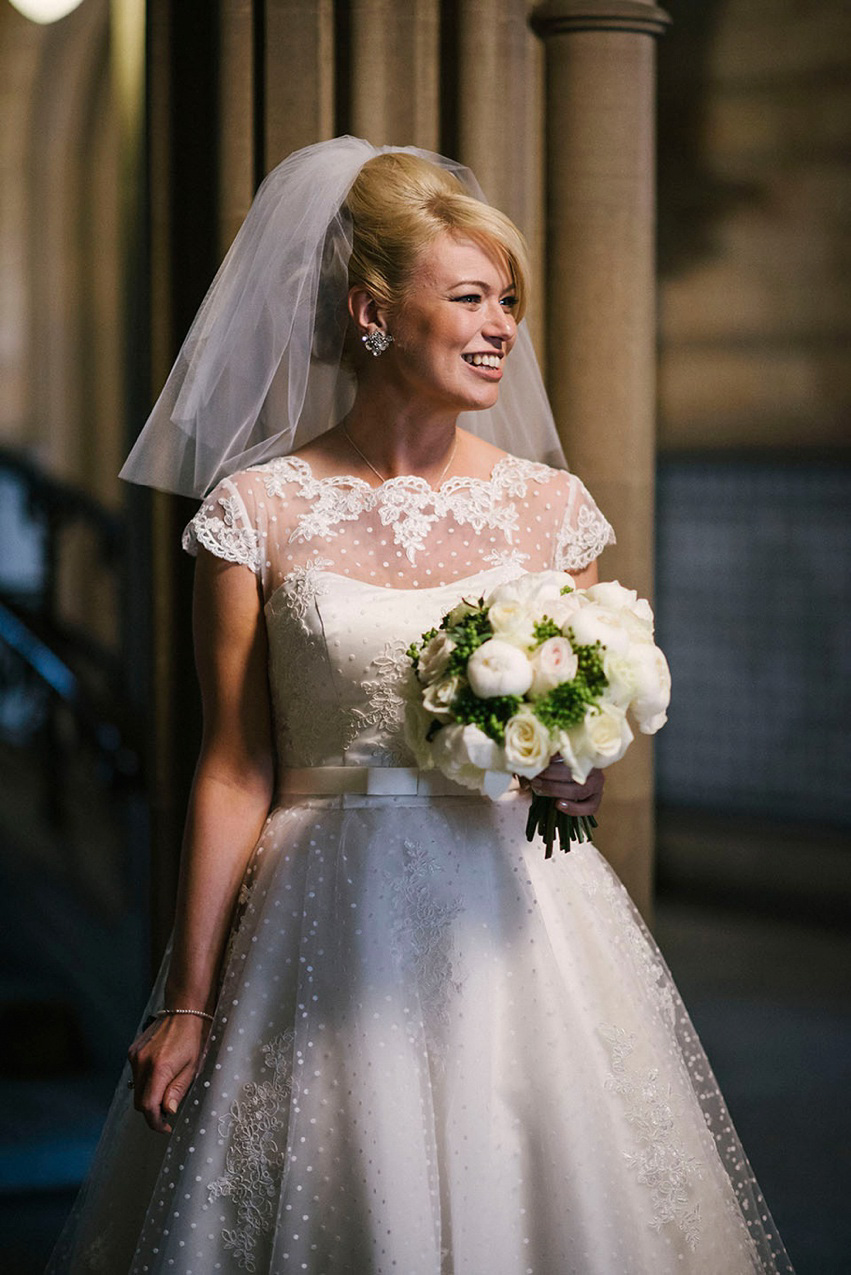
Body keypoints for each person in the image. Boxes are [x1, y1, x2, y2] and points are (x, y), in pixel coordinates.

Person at [48, 137, 793, 1274]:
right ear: (372, 313)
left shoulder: (549, 510)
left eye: (510, 302)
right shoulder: (257, 511)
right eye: (470, 298)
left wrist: (574, 774)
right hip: (322, 922)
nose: (502, 326)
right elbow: (234, 767)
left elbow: (578, 761)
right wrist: (190, 1000)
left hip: (516, 920)